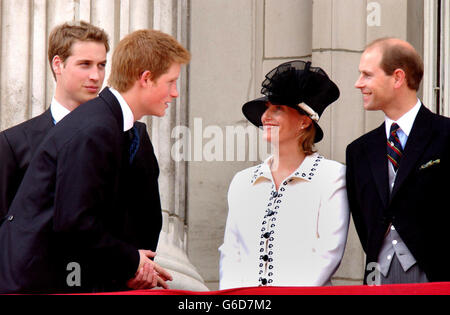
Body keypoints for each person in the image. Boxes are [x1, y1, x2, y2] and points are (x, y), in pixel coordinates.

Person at [0, 29, 190, 294]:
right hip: (39, 286)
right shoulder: (95, 128)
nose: (175, 93)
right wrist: (133, 261)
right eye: (171, 82)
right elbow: (75, 223)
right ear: (146, 79)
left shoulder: (106, 123)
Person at [219, 60, 350, 289]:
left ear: (304, 121)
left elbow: (327, 253)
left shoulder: (332, 177)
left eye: (277, 108)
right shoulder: (243, 182)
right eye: (266, 108)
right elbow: (232, 253)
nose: (265, 116)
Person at [346, 38, 450, 284]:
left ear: (398, 78)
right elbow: (364, 223)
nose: (358, 84)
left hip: (437, 280)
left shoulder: (446, 135)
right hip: (377, 279)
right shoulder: (358, 151)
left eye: (367, 75)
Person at [0, 21, 109, 219]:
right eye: (85, 64)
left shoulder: (124, 136)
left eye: (101, 65)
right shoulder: (13, 144)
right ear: (58, 64)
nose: (96, 76)